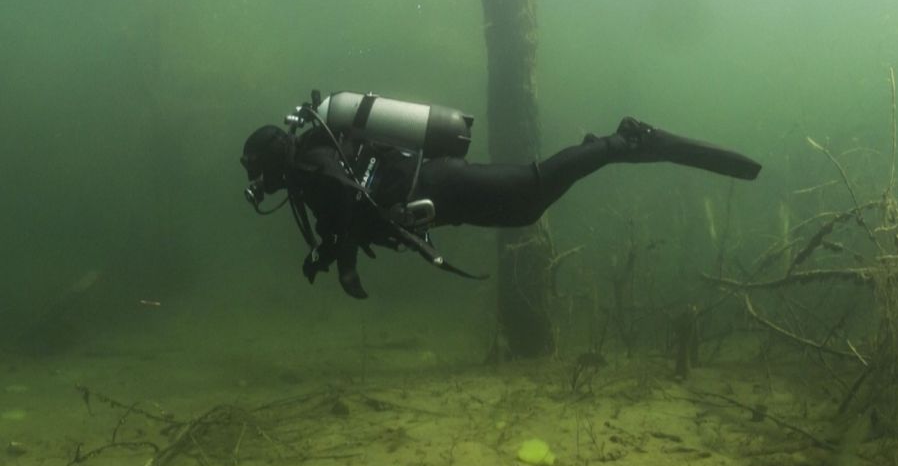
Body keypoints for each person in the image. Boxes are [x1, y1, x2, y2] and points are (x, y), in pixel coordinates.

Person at [240, 90, 761, 299]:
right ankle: (603, 149)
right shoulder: (312, 163)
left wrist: (335, 254)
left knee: (532, 192)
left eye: (258, 175)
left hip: (441, 185)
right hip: (442, 195)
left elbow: (351, 200)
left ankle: (619, 141)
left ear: (271, 162)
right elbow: (349, 207)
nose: (260, 186)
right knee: (523, 212)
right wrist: (336, 256)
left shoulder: (311, 165)